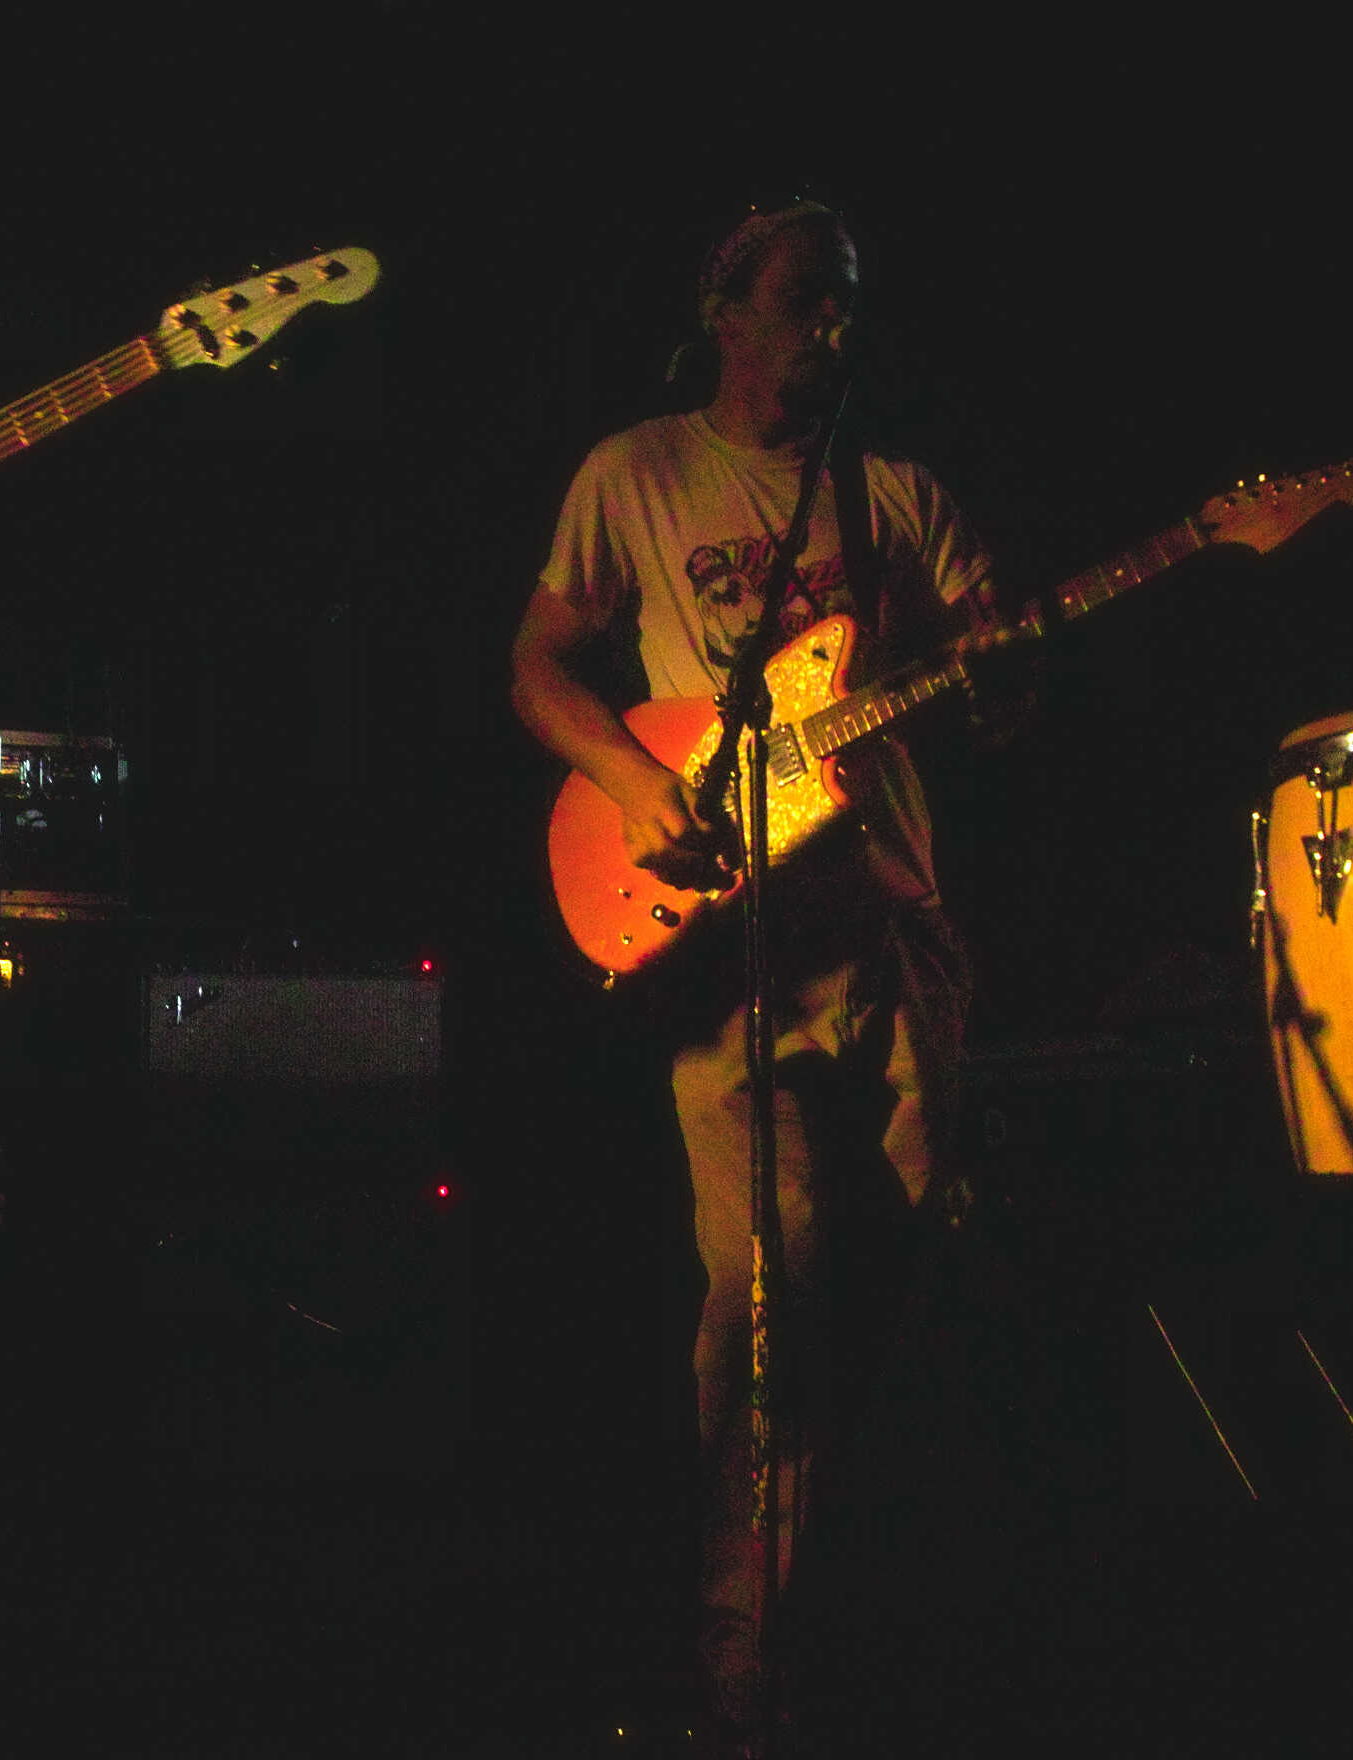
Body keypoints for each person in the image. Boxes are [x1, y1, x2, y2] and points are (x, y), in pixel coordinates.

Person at [509, 201, 1001, 1738]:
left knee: (923, 1276)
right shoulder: (637, 474)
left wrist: (1006, 671)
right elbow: (535, 667)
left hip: (893, 931)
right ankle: (742, 1659)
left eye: (851, 301)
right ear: (727, 308)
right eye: (809, 298)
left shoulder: (902, 496)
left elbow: (1004, 701)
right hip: (731, 959)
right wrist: (634, 781)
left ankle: (898, 1621)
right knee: (760, 1294)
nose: (837, 326)